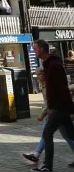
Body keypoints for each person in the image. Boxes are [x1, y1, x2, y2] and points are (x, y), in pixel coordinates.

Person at [31, 39, 74, 172]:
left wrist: (70, 110)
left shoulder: (54, 65)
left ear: (42, 49)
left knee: (47, 134)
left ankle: (47, 166)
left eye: (35, 49)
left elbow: (62, 89)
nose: (34, 51)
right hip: (58, 107)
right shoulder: (49, 64)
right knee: (71, 135)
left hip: (59, 107)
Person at [22, 67, 74, 166]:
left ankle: (37, 156)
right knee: (66, 136)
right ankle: (36, 155)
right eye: (36, 74)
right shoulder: (46, 84)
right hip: (55, 113)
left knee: (49, 133)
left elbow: (50, 102)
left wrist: (42, 113)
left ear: (44, 74)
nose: (37, 77)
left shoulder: (51, 84)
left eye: (39, 75)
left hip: (56, 113)